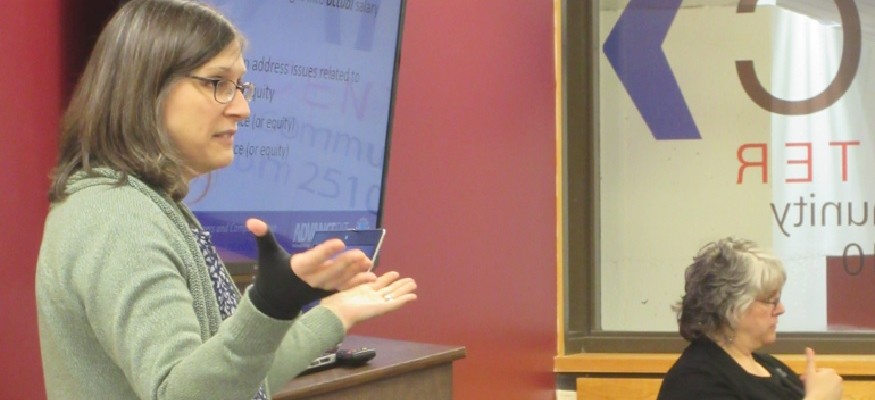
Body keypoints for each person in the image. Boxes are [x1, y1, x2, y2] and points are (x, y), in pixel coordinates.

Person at [34, 1, 416, 399]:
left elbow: (238, 380)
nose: (242, 109)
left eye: (239, 86)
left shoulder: (150, 207)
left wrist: (338, 311)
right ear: (147, 87)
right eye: (217, 83)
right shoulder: (117, 218)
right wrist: (268, 306)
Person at [656, 237, 843, 400]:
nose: (780, 309)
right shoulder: (694, 380)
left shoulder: (770, 366)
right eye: (771, 301)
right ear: (733, 306)